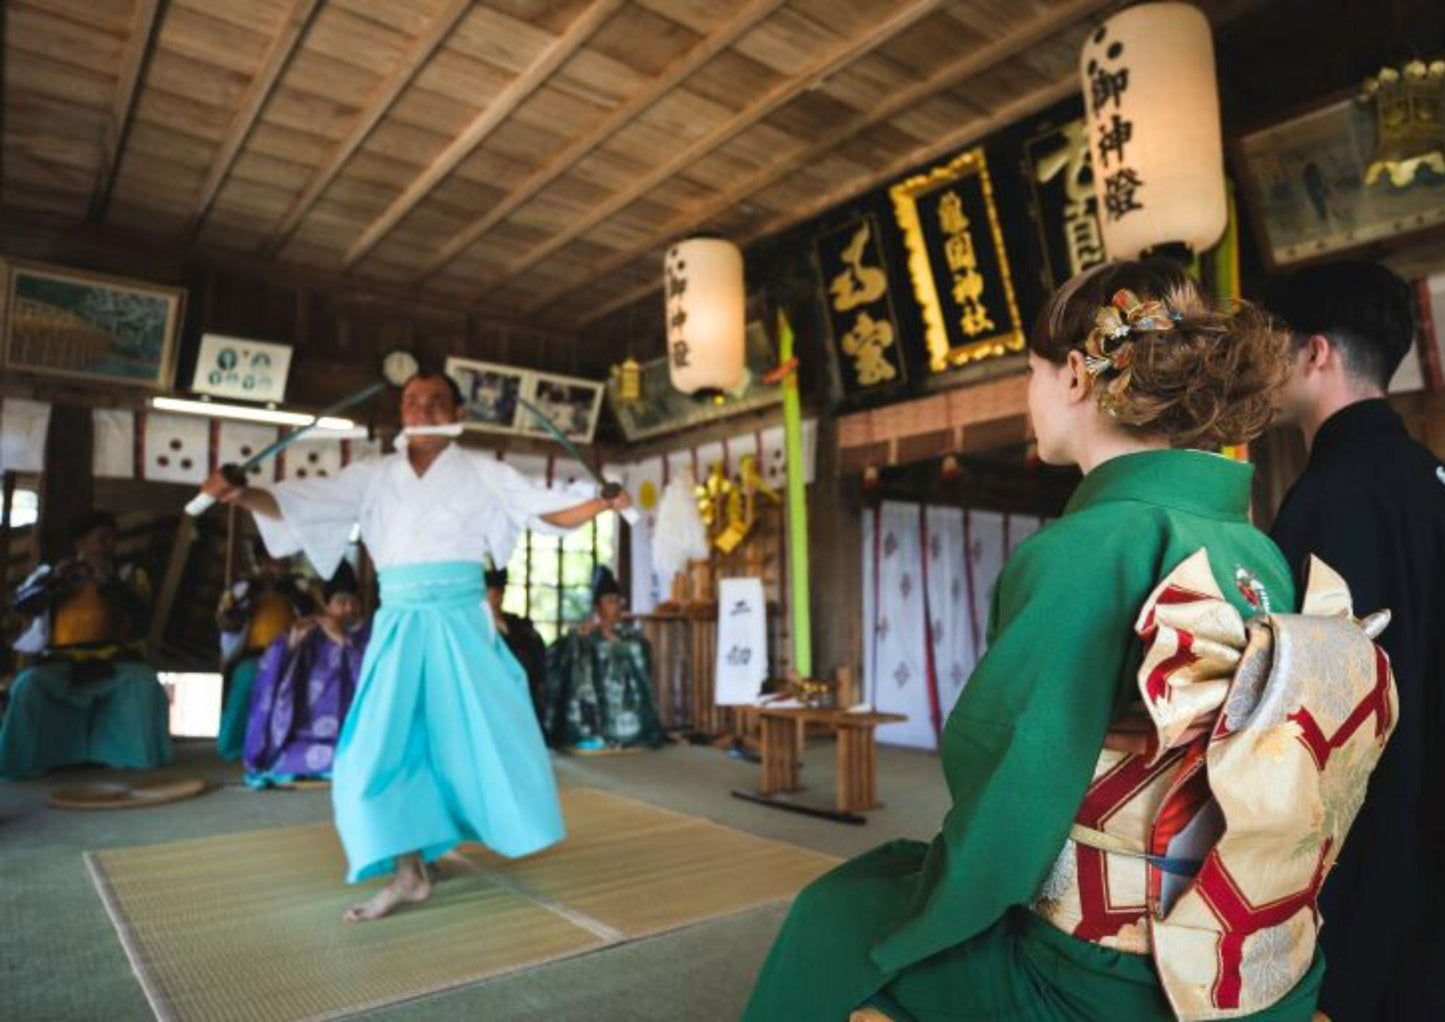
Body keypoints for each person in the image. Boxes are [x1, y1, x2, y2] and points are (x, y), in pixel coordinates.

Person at [745, 260, 1370, 1021]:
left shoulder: (1087, 547)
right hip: (1260, 951)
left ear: (1074, 376)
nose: (1029, 398)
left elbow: (1013, 789)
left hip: (1105, 977)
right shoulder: (1255, 550)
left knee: (837, 914)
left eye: (1030, 375)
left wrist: (936, 905)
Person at [200, 370, 629, 922]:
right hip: (401, 621)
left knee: (472, 739)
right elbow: (306, 504)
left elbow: (543, 509)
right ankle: (408, 870)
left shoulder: (482, 471)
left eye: (435, 401)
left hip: (461, 623)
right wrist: (242, 494)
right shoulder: (374, 475)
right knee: (378, 747)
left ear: (456, 411)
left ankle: (419, 864)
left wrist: (598, 504)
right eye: (411, 400)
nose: (421, 409)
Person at [1265, 261, 1445, 1022]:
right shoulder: (1426, 474)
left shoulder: (1330, 496)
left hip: (1368, 863)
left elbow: (1306, 730)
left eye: (1273, 346)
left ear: (1314, 354)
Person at [0, 511, 171, 778]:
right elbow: (22, 606)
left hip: (113, 660)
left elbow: (141, 618)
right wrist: (55, 581)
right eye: (101, 539)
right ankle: (23, 762)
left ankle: (135, 758)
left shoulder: (127, 575)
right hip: (62, 660)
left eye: (113, 540)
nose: (109, 546)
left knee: (144, 682)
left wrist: (109, 584)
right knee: (27, 685)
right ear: (80, 543)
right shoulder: (51, 574)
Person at [243, 560, 368, 788]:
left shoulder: (369, 635)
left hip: (354, 734)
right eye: (341, 602)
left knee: (363, 757)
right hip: (307, 735)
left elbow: (379, 682)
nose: (349, 609)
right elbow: (272, 675)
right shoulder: (310, 632)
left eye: (353, 602)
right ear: (327, 605)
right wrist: (290, 646)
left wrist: (344, 642)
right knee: (283, 759)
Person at [215, 540, 319, 761]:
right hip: (253, 654)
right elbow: (226, 622)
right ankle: (235, 745)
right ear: (260, 561)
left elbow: (314, 615)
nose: (275, 567)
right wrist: (251, 597)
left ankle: (288, 745)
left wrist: (292, 594)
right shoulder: (243, 588)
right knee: (246, 679)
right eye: (269, 562)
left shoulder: (299, 586)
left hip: (292, 653)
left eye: (281, 561)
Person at [543, 565, 664, 753]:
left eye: (617, 601)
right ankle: (591, 731)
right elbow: (558, 656)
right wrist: (576, 639)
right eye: (609, 601)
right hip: (597, 706)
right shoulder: (585, 636)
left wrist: (620, 645)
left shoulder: (630, 637)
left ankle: (631, 734)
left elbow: (642, 656)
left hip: (626, 705)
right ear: (597, 606)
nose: (615, 606)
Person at [484, 565, 547, 726]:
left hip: (520, 703)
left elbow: (537, 668)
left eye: (494, 593)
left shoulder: (521, 629)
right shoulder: (472, 629)